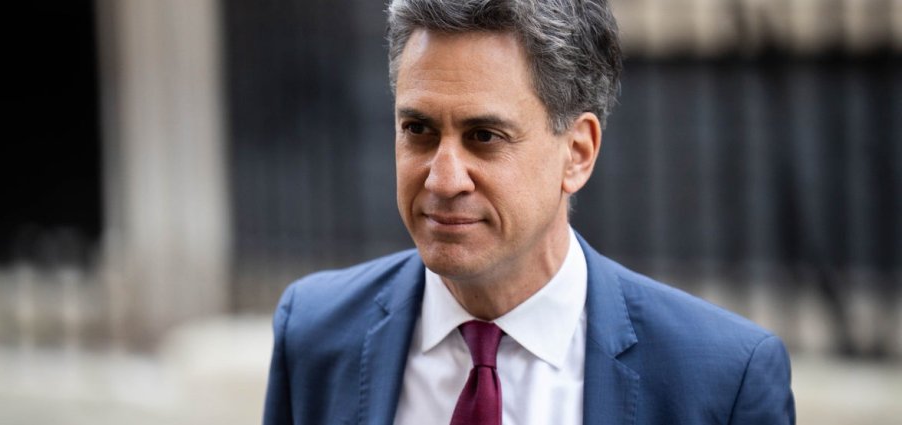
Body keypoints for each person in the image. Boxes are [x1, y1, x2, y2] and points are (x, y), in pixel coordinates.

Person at [263, 0, 796, 424]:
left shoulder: (721, 381)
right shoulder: (314, 333)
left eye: (484, 136)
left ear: (577, 152)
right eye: (418, 129)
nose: (443, 179)